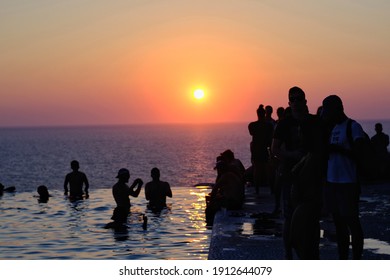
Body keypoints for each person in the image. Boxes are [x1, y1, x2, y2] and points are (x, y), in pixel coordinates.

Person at [271, 86, 325, 259]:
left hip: (312, 177)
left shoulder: (315, 121)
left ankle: (313, 254)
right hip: (290, 176)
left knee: (313, 217)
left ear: (305, 100)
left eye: (299, 98)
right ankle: (289, 255)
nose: (296, 102)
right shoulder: (284, 124)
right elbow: (275, 149)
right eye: (292, 99)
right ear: (289, 102)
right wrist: (292, 154)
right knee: (289, 217)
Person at [321, 94, 365, 260]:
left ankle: (357, 259)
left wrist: (338, 150)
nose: (325, 113)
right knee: (339, 225)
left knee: (352, 222)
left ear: (337, 108)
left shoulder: (353, 127)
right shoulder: (332, 128)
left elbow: (359, 153)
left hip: (348, 183)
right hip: (333, 182)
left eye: (327, 109)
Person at [205, 160, 244, 226]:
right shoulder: (232, 175)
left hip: (234, 203)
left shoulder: (226, 176)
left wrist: (212, 200)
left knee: (209, 208)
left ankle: (209, 225)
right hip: (238, 202)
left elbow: (215, 188)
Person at [248, 104, 274, 194]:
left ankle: (257, 190)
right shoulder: (269, 126)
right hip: (264, 148)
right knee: (268, 169)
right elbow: (270, 138)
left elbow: (251, 133)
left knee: (256, 170)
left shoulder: (252, 125)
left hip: (256, 149)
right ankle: (272, 189)